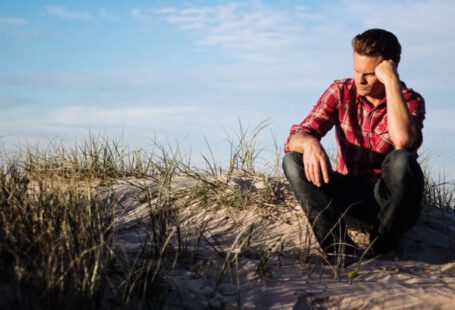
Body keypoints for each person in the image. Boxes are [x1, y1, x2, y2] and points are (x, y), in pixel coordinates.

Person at [282, 29, 425, 259]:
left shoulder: (409, 100)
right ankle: (340, 253)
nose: (360, 79)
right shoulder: (341, 91)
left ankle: (381, 247)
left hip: (395, 204)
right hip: (353, 197)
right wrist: (308, 142)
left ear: (389, 68)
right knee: (292, 160)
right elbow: (296, 136)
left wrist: (391, 82)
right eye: (357, 70)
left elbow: (403, 141)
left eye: (369, 73)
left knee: (402, 160)